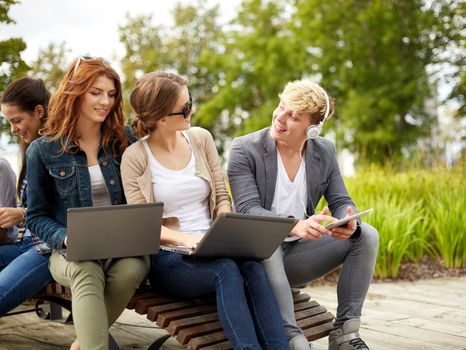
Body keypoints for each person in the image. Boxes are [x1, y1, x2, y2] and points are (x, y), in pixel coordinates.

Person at [121, 71, 288, 350]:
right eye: (185, 108)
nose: (192, 110)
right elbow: (144, 226)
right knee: (226, 270)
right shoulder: (135, 158)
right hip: (170, 259)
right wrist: (190, 240)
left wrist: (224, 226)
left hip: (213, 245)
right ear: (161, 118)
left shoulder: (200, 138)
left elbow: (221, 196)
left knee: (253, 267)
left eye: (191, 102)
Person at [227, 79, 379, 350]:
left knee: (366, 235)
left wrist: (348, 219)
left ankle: (345, 333)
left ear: (311, 130)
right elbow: (248, 210)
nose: (279, 117)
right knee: (269, 239)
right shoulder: (244, 149)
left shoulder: (325, 151)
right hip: (258, 257)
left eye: (293, 116)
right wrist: (295, 225)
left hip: (297, 258)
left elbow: (341, 199)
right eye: (281, 106)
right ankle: (292, 338)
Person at [26, 57, 149, 350]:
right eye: (96, 92)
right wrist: (67, 237)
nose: (105, 101)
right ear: (75, 92)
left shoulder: (125, 140)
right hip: (70, 251)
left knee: (133, 268)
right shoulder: (43, 151)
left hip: (122, 248)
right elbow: (36, 216)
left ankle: (85, 343)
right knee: (86, 269)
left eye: (110, 94)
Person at [0, 77, 53, 316]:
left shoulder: (59, 149)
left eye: (17, 120)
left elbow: (65, 210)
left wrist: (21, 214)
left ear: (39, 111)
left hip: (47, 248)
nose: (13, 129)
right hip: (25, 243)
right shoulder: (33, 147)